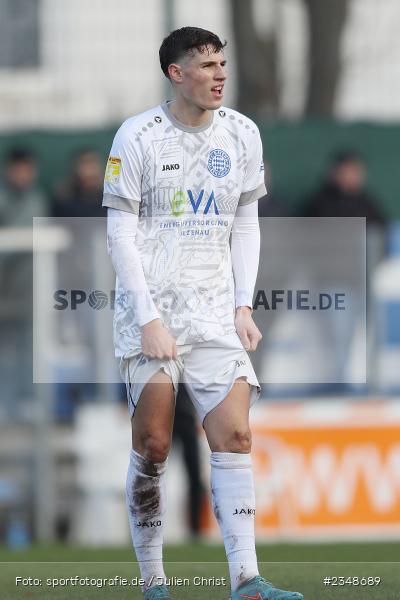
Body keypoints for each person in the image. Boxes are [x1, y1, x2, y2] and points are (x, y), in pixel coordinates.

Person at [104, 27, 303, 600]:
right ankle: (154, 583)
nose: (219, 75)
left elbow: (246, 223)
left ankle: (247, 580)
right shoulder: (137, 136)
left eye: (223, 64)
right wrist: (147, 318)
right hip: (153, 314)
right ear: (176, 73)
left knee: (236, 435)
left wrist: (243, 304)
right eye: (208, 65)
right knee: (155, 445)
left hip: (215, 312)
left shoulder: (242, 133)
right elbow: (120, 235)